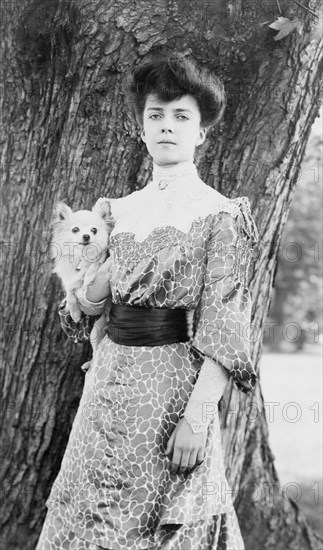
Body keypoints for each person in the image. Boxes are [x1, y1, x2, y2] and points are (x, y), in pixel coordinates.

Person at [36, 52, 259, 550]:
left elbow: (226, 327)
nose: (166, 126)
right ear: (141, 128)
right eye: (155, 115)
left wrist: (197, 418)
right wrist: (98, 284)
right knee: (91, 518)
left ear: (202, 132)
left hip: (172, 398)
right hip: (106, 391)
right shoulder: (114, 213)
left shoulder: (222, 215)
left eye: (181, 116)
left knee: (158, 523)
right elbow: (84, 314)